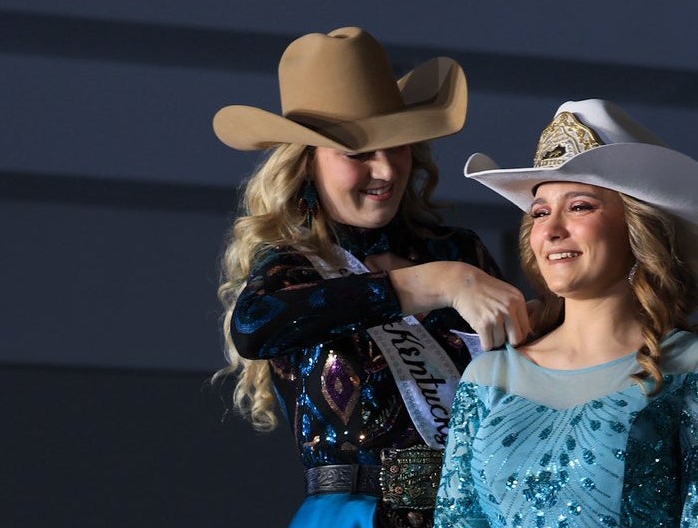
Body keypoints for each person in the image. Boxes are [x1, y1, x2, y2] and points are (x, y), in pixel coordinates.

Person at [212, 27, 530, 528]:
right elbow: (254, 325)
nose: (385, 170)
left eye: (398, 146)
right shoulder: (294, 266)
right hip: (355, 514)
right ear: (307, 164)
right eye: (358, 154)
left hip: (474, 511)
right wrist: (431, 285)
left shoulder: (457, 250)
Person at [434, 99, 698, 527]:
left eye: (580, 206)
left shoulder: (692, 367)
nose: (550, 229)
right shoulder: (490, 377)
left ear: (637, 228)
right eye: (540, 212)